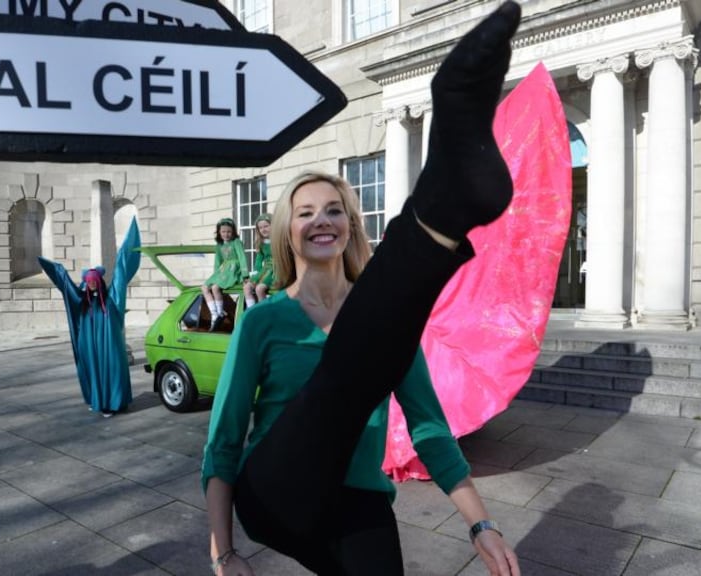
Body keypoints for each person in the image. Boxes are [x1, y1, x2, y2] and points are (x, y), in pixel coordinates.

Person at [202, 3, 522, 576]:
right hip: (277, 489)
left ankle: (444, 207)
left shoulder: (388, 321)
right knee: (345, 370)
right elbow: (224, 438)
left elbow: (427, 426)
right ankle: (442, 207)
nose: (321, 220)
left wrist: (482, 523)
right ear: (286, 231)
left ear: (350, 224)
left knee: (378, 334)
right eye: (305, 213)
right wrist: (223, 552)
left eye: (334, 210)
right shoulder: (263, 321)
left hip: (358, 499)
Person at [38, 218, 141, 417]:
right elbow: (66, 286)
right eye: (89, 282)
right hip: (91, 346)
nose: (92, 284)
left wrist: (127, 248)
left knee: (113, 370)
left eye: (95, 281)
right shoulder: (83, 302)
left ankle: (117, 402)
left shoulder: (111, 298)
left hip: (110, 345)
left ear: (99, 281)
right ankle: (100, 401)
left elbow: (121, 271)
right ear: (86, 283)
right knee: (96, 371)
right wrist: (58, 272)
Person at [202, 217, 248, 332]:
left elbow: (242, 257)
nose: (226, 234)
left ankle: (219, 312)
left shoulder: (236, 242)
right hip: (223, 270)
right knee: (205, 287)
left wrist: (245, 275)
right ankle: (215, 313)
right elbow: (217, 262)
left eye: (229, 231)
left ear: (233, 232)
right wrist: (215, 276)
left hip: (233, 269)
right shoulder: (219, 245)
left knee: (216, 287)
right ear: (219, 232)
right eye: (223, 232)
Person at [243, 213, 274, 308]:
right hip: (265, 270)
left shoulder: (279, 241)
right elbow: (258, 260)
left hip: (276, 270)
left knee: (259, 289)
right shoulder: (261, 243)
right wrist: (256, 272)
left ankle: (263, 314)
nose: (263, 229)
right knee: (247, 287)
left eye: (266, 226)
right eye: (260, 228)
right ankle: (251, 310)